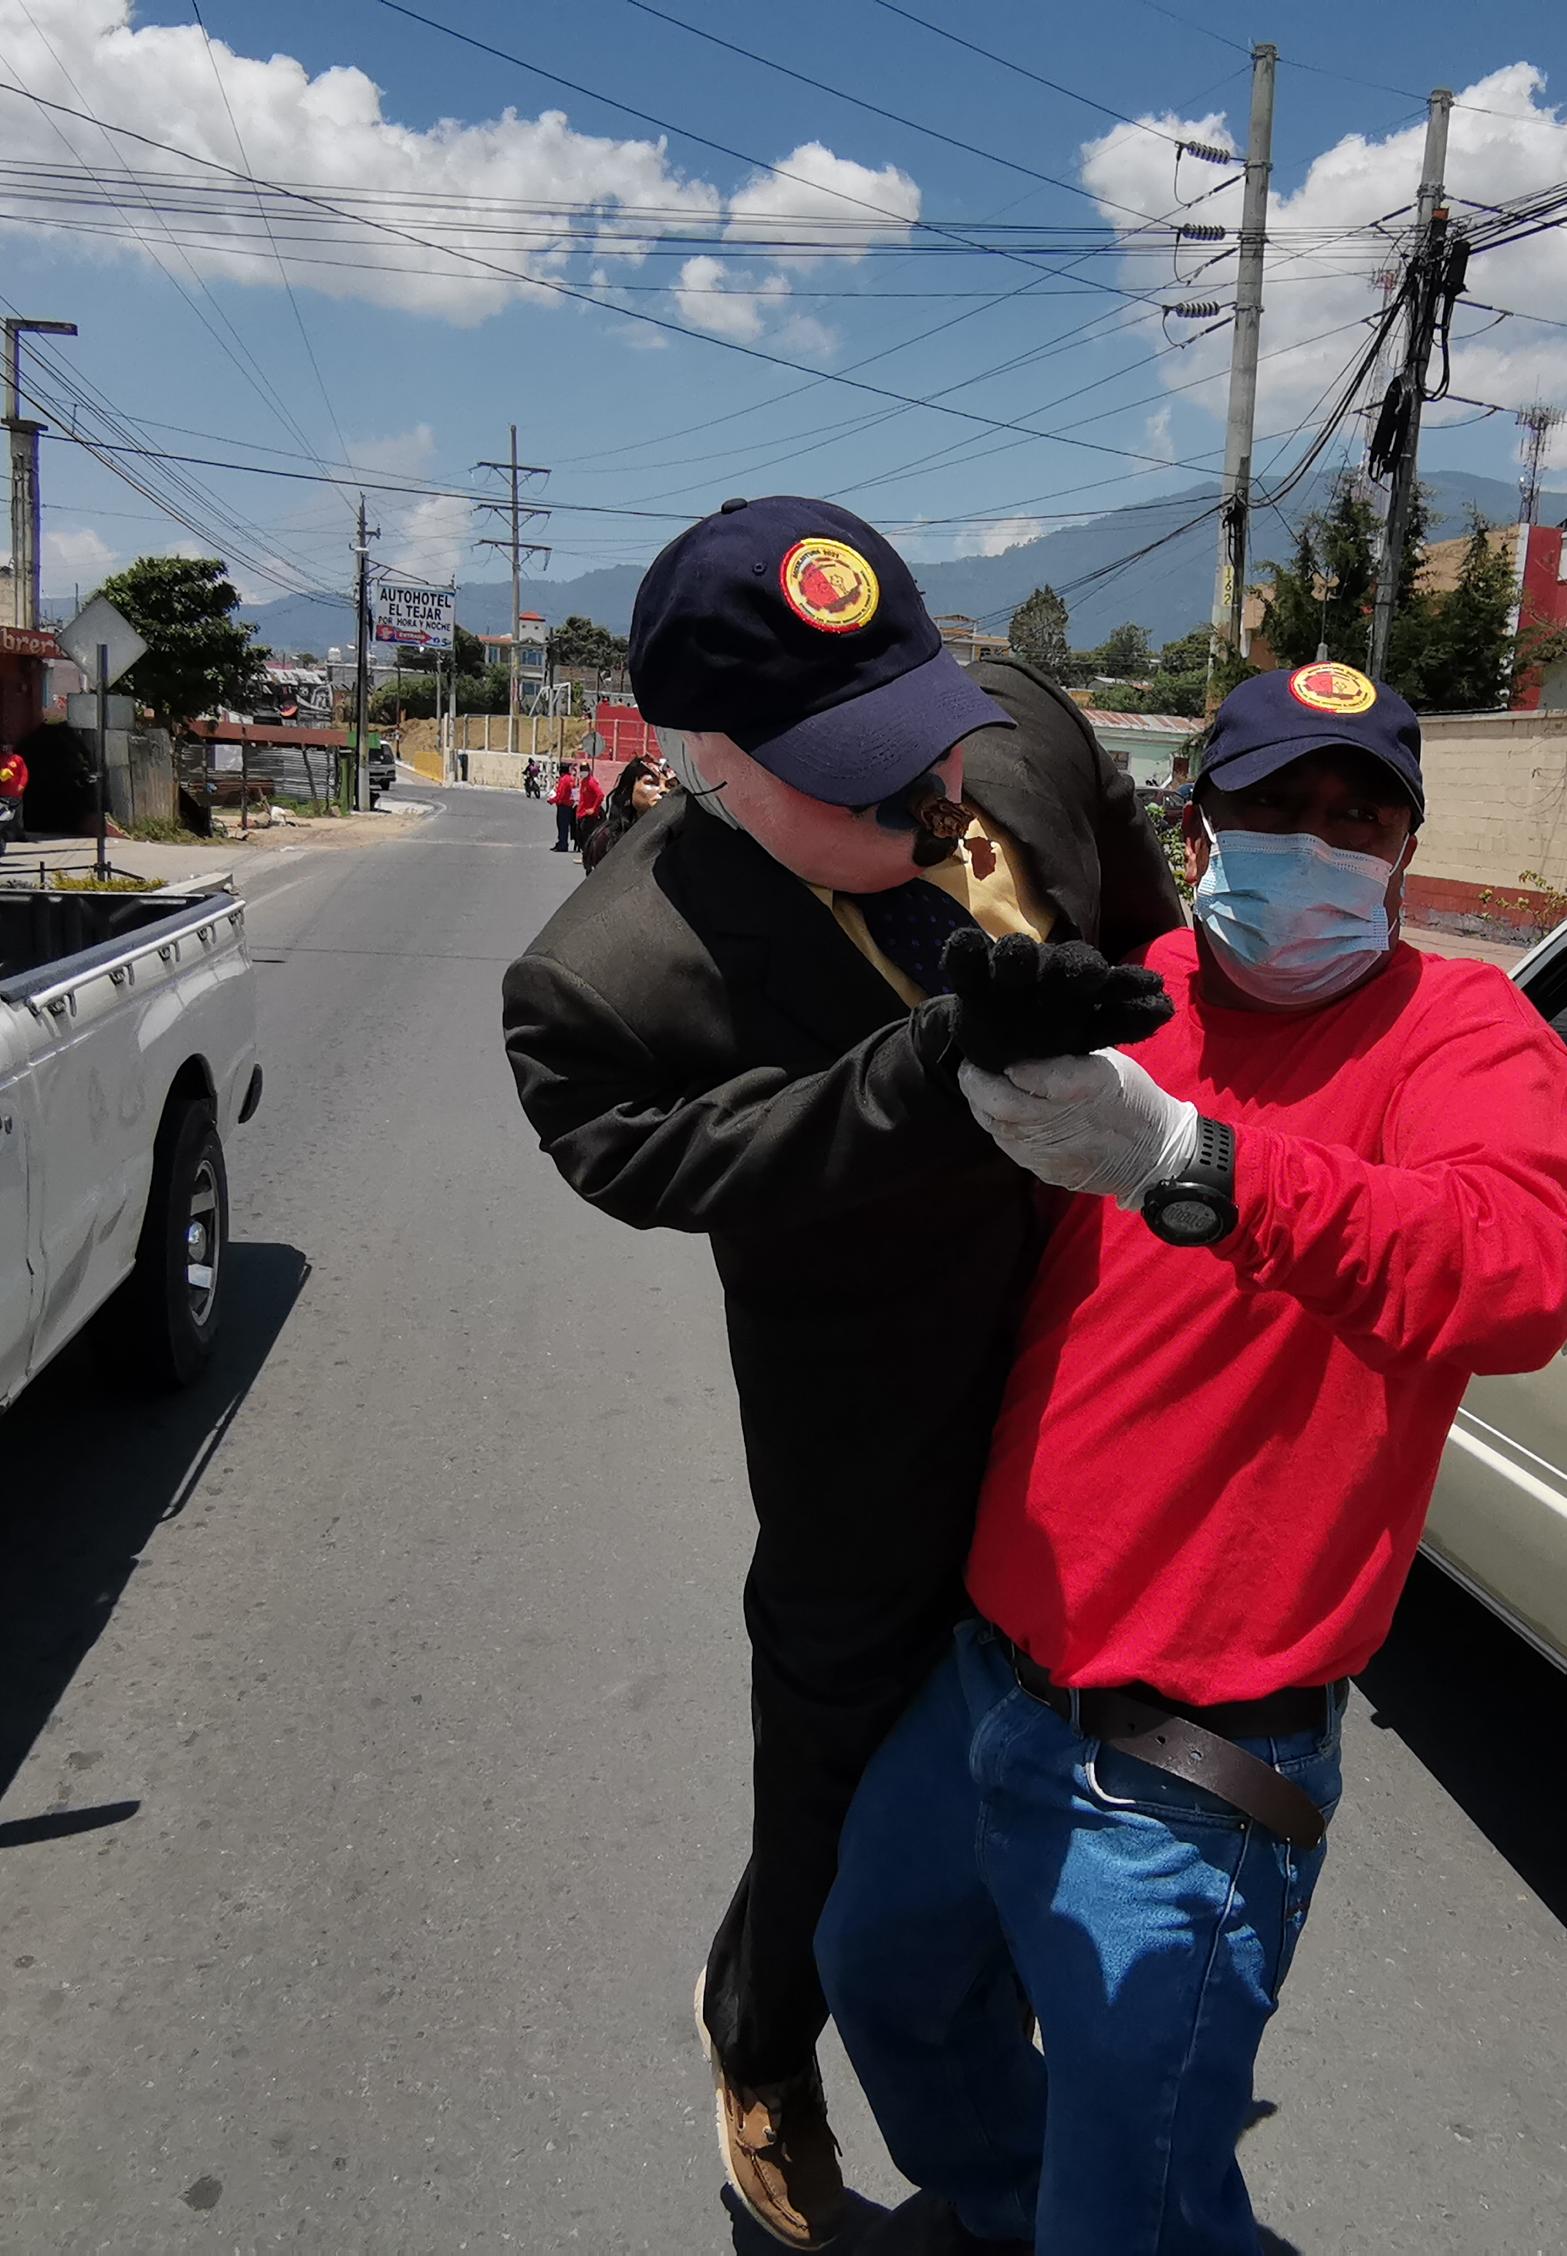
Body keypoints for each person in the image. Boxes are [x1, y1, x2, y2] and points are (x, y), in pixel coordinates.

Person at [814, 662, 1567, 2256]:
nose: (1316, 838)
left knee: (1143, 2195)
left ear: (1403, 846)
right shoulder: (1135, 995)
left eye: (1355, 812)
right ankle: (1009, 2207)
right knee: (880, 1982)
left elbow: (1516, 1278)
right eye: (1274, 805)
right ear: (1203, 820)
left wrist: (1191, 1162)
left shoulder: (1465, 1030)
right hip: (989, 1674)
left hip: (1188, 1767)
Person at [503, 496, 1182, 2249]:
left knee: (1080, 1779)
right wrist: (925, 1072)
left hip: (1107, 1368)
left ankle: (1003, 2080)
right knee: (829, 1790)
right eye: (844, 767)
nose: (917, 794)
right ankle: (760, 2041)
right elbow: (671, 1158)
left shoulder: (1014, 725)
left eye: (911, 727)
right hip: (871, 1432)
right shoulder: (603, 984)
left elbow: (1151, 918)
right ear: (699, 756)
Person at [575, 754, 668, 870]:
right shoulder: (608, 838)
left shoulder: (680, 839)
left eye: (670, 785)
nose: (663, 790)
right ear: (630, 788)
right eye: (650, 783)